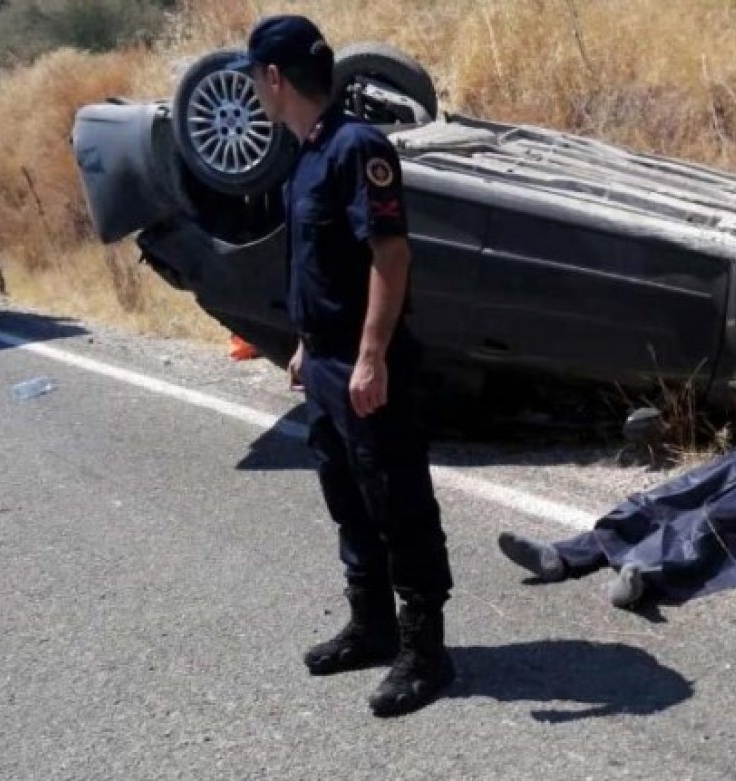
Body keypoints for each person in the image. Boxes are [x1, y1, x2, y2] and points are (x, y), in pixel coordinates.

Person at [231, 15, 455, 718]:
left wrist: (370, 356)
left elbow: (392, 255)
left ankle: (426, 653)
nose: (254, 93)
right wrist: (305, 344)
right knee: (349, 498)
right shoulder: (306, 155)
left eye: (255, 81)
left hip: (367, 364)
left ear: (274, 78)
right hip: (325, 363)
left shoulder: (357, 148)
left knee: (398, 503)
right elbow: (324, 266)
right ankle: (374, 626)